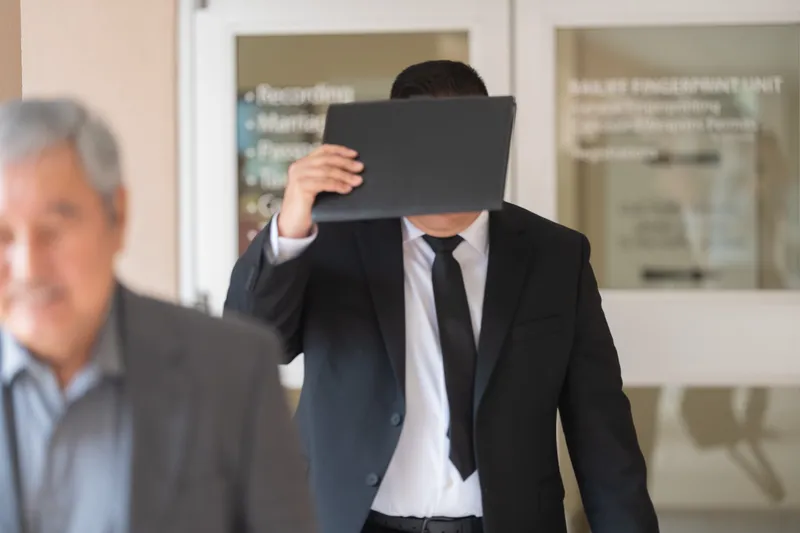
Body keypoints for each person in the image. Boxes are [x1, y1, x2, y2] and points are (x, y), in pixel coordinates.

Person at [225, 60, 659, 533]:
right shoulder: (330, 242)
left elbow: (600, 427)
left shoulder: (554, 255)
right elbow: (254, 340)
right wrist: (291, 223)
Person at [0, 98, 316, 533]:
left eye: (54, 230)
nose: (29, 268)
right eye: (2, 236)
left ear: (117, 217)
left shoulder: (233, 370)